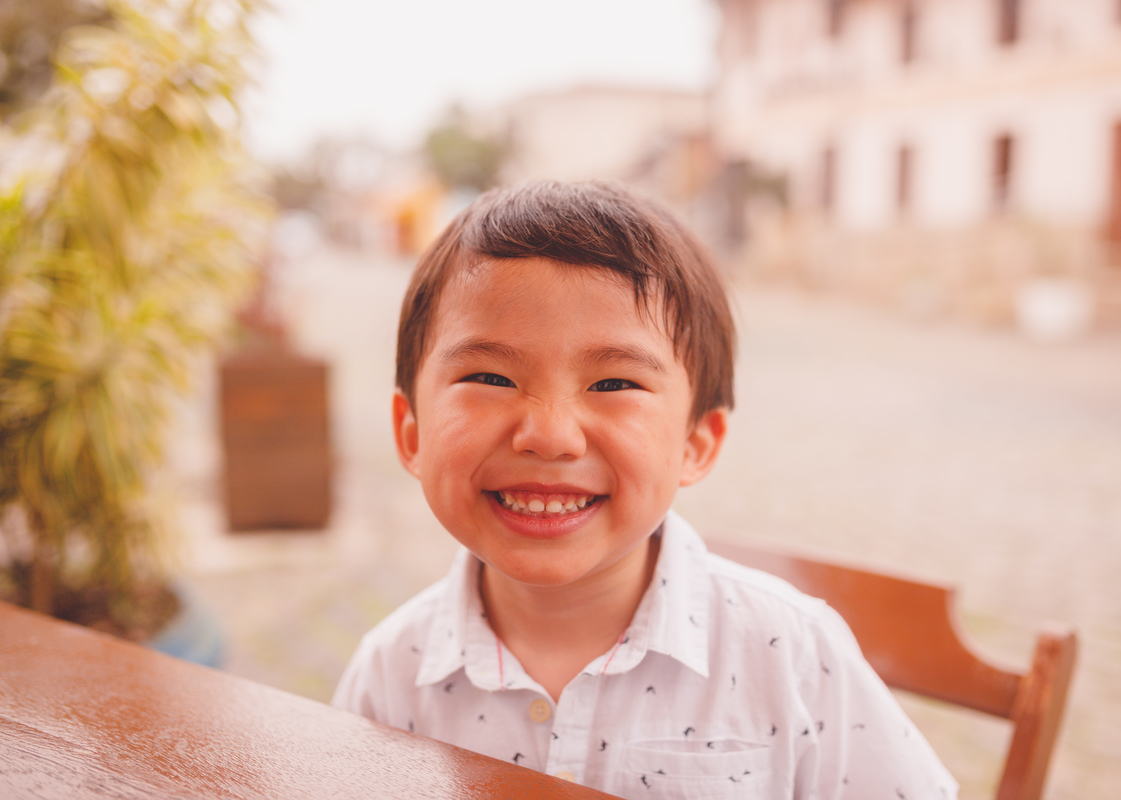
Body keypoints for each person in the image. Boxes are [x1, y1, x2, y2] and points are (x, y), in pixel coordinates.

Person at [333, 181, 957, 799]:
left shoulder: (788, 652)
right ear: (411, 432)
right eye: (490, 376)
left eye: (613, 385)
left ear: (696, 443)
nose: (550, 435)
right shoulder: (390, 674)